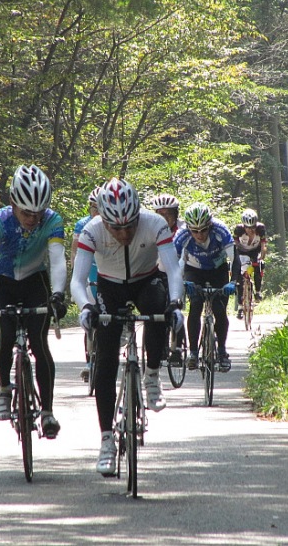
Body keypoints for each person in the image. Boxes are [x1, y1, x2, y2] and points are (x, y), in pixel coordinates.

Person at [70, 177, 184, 475]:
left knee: (159, 308)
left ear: (138, 216)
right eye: (115, 228)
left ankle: (152, 375)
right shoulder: (91, 231)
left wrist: (176, 304)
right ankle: (106, 440)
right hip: (110, 287)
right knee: (105, 361)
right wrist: (86, 307)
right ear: (103, 219)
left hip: (146, 281)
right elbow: (78, 281)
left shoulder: (154, 224)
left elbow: (173, 269)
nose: (123, 234)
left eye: (129, 226)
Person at [0, 164, 68, 440]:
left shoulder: (52, 221)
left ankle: (48, 412)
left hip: (34, 282)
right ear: (13, 203)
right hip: (1, 282)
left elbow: (58, 260)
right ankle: (3, 390)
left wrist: (58, 294)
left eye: (38, 213)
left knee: (40, 344)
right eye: (26, 212)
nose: (32, 218)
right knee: (3, 340)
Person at [174, 202, 236, 372]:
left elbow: (234, 258)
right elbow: (171, 262)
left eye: (203, 230)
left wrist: (234, 281)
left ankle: (222, 351)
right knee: (195, 306)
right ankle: (193, 353)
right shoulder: (182, 235)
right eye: (195, 231)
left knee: (219, 308)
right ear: (189, 228)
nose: (199, 235)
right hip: (194, 270)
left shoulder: (220, 230)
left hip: (218, 270)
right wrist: (181, 282)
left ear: (210, 225)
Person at [151, 193, 186, 364]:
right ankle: (160, 345)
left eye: (168, 214)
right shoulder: (151, 227)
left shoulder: (183, 230)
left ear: (176, 214)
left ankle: (177, 349)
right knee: (156, 307)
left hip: (177, 270)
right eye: (160, 214)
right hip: (157, 271)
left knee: (175, 306)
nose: (164, 218)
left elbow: (185, 256)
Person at [71, 186, 101, 381]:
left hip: (108, 271)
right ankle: (89, 362)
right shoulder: (82, 225)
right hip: (90, 271)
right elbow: (74, 252)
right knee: (90, 317)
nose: (96, 212)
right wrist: (77, 276)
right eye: (93, 208)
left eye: (100, 208)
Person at [232, 208, 267, 319]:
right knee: (240, 277)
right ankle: (240, 306)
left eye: (252, 227)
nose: (250, 230)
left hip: (254, 251)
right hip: (242, 251)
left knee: (259, 266)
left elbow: (263, 245)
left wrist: (262, 256)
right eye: (247, 227)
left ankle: (257, 291)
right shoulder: (238, 230)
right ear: (244, 226)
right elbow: (235, 244)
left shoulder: (261, 229)